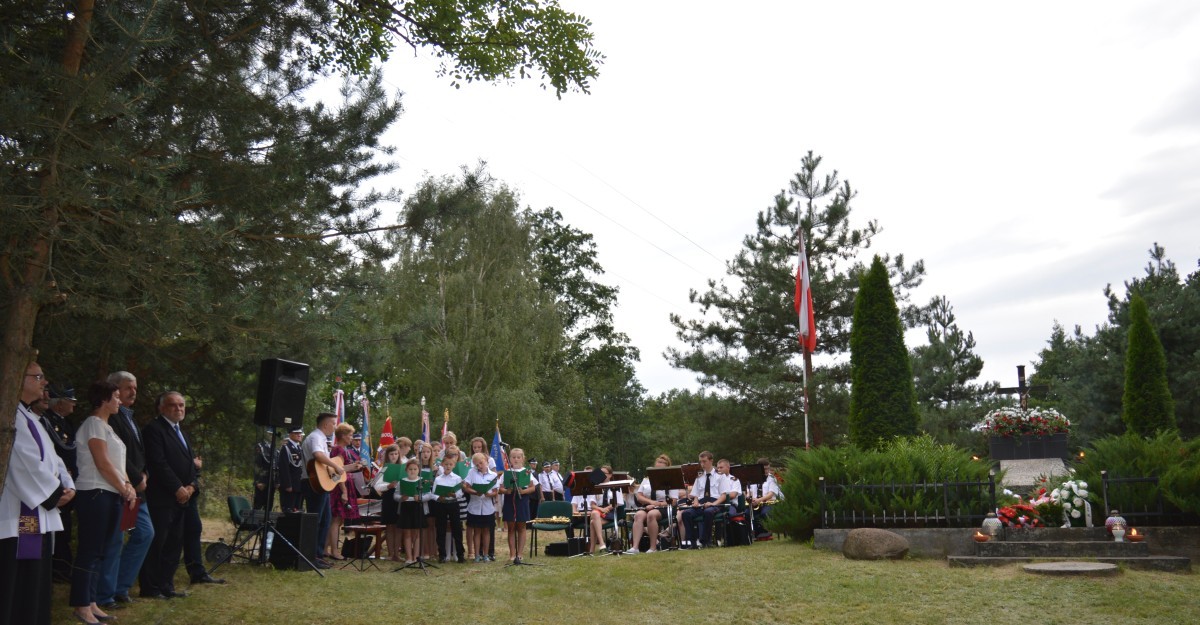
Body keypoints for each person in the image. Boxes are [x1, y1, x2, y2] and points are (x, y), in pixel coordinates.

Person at [2, 360, 75, 625]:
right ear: (18, 377)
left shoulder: (31, 417)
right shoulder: (9, 416)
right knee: (20, 583)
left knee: (36, 582)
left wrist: (68, 486)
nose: (44, 382)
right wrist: (55, 494)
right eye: (38, 376)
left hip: (36, 511)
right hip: (20, 515)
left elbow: (55, 459)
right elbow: (24, 462)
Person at [69, 381, 136, 624]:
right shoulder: (93, 424)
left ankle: (91, 601)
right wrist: (123, 488)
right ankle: (81, 604)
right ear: (104, 399)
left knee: (101, 551)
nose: (120, 401)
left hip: (111, 494)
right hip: (95, 493)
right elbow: (103, 463)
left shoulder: (108, 428)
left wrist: (128, 486)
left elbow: (118, 465)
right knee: (90, 550)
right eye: (116, 396)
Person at [95, 370, 152, 607]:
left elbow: (138, 453)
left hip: (136, 489)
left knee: (145, 533)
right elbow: (116, 455)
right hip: (120, 487)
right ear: (114, 389)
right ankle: (106, 594)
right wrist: (135, 478)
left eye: (135, 387)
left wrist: (144, 474)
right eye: (128, 387)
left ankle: (120, 586)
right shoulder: (110, 419)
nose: (133, 392)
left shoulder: (130, 417)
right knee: (115, 540)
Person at [139, 391, 198, 600]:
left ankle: (166, 585)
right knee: (158, 543)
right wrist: (177, 488)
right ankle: (150, 587)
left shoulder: (181, 432)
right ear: (161, 407)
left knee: (174, 543)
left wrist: (191, 486)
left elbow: (190, 464)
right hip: (162, 497)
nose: (179, 409)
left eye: (182, 405)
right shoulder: (154, 430)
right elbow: (158, 463)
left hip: (182, 498)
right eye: (173, 405)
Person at [41, 386, 79, 581]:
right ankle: (57, 569)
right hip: (55, 483)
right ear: (59, 404)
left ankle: (62, 568)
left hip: (66, 480)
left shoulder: (66, 423)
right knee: (57, 527)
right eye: (70, 401)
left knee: (64, 527)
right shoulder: (47, 421)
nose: (73, 405)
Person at [300, 412, 343, 569]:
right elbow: (318, 455)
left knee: (325, 519)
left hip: (320, 482)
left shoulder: (321, 438)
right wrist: (336, 465)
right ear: (325, 424)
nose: (335, 427)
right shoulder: (316, 437)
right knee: (317, 520)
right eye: (333, 423)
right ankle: (310, 555)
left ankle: (317, 555)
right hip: (313, 483)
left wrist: (343, 470)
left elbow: (323, 466)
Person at [626, 454, 678, 554]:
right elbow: (639, 496)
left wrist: (656, 505)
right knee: (638, 515)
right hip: (649, 505)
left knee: (651, 515)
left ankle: (653, 547)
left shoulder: (671, 479)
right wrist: (651, 502)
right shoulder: (646, 480)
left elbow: (674, 501)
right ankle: (635, 547)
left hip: (664, 506)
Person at [326, 423, 364, 560]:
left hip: (343, 485)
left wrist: (354, 466)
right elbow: (335, 472)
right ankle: (334, 551)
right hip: (340, 487)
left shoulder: (342, 449)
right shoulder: (339, 450)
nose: (352, 438)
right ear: (342, 436)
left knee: (337, 520)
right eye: (350, 435)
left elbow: (342, 468)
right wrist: (344, 491)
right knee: (336, 520)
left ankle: (325, 549)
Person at [499, 448, 538, 563]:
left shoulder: (527, 472)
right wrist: (506, 491)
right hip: (510, 499)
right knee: (511, 527)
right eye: (513, 457)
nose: (516, 459)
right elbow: (500, 488)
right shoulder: (506, 472)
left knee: (521, 527)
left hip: (522, 500)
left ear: (523, 459)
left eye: (518, 457)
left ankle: (520, 554)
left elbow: (533, 487)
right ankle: (512, 554)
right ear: (509, 459)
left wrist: (524, 491)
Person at [681, 451, 727, 548]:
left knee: (708, 512)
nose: (702, 464)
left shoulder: (720, 476)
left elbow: (723, 496)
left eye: (704, 461)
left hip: (715, 503)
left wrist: (713, 504)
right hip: (701, 503)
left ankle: (706, 541)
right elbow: (696, 495)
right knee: (686, 513)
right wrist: (696, 502)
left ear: (711, 461)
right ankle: (692, 542)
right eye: (700, 462)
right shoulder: (699, 477)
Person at [463, 452, 499, 562]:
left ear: (486, 461)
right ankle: (477, 555)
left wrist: (489, 494)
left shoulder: (493, 475)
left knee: (486, 531)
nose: (479, 466)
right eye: (476, 465)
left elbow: (496, 491)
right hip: (475, 507)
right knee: (477, 531)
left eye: (481, 463)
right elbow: (466, 487)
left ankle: (486, 554)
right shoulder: (471, 472)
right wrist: (475, 492)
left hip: (488, 507)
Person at [431, 452, 466, 563]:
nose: (448, 466)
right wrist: (438, 497)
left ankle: (460, 555)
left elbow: (460, 493)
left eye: (450, 464)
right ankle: (442, 555)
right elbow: (433, 494)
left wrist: (454, 494)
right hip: (441, 504)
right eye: (446, 464)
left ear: (454, 465)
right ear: (442, 465)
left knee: (457, 529)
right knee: (441, 529)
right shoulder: (438, 479)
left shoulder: (457, 478)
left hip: (453, 504)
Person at [394, 459, 426, 565]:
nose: (412, 471)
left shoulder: (422, 481)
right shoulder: (402, 481)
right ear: (406, 470)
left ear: (419, 470)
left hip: (417, 506)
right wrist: (401, 498)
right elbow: (395, 495)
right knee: (407, 533)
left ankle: (416, 556)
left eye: (415, 469)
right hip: (406, 507)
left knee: (417, 533)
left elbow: (428, 494)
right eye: (410, 469)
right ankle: (409, 557)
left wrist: (420, 498)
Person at [375, 444, 403, 560]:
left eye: (396, 454)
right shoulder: (383, 468)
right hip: (388, 497)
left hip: (399, 497)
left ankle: (397, 553)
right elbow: (377, 485)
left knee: (398, 526)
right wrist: (388, 486)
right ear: (387, 455)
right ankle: (391, 553)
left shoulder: (402, 467)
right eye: (391, 454)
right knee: (390, 526)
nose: (394, 456)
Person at [586, 465, 622, 554]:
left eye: (604, 473)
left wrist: (606, 508)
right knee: (594, 513)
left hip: (611, 511)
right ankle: (601, 543)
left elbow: (617, 503)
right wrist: (601, 509)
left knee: (592, 522)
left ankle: (592, 549)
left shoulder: (615, 486)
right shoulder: (596, 486)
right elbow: (592, 505)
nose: (601, 475)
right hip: (599, 511)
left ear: (610, 475)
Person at [747, 458, 782, 539]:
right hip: (755, 503)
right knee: (747, 513)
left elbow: (770, 494)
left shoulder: (772, 478)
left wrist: (759, 500)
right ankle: (753, 534)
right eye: (764, 469)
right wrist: (750, 498)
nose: (766, 471)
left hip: (769, 503)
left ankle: (766, 533)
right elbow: (749, 492)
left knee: (764, 513)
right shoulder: (752, 478)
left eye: (768, 469)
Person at [276, 428, 305, 513]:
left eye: (300, 433)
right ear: (290, 434)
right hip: (290, 486)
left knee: (297, 511)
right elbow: (284, 468)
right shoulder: (286, 448)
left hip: (299, 485)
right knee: (288, 511)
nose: (299, 435)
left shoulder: (299, 447)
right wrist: (287, 485)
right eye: (296, 433)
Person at [252, 434, 276, 510]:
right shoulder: (260, 446)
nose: (272, 436)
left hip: (271, 481)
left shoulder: (274, 447)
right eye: (270, 434)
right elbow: (257, 465)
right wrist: (258, 481)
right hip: (262, 480)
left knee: (269, 506)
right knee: (258, 505)